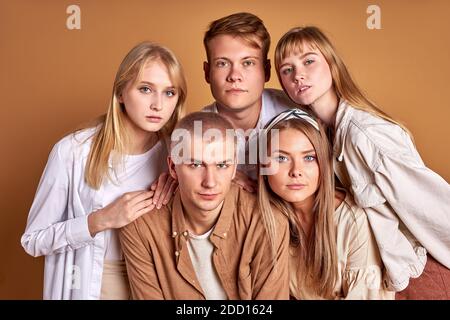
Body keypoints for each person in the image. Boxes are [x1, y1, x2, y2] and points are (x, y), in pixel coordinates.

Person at [274, 26, 450, 297]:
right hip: (379, 279)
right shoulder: (323, 136)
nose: (298, 75)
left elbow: (432, 207)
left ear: (332, 64)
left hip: (417, 274)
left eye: (309, 60)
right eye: (287, 69)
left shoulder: (365, 135)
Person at [21, 42, 187, 299]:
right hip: (91, 283)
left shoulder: (179, 157)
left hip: (155, 282)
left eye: (169, 93)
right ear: (121, 92)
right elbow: (33, 240)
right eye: (145, 89)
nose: (158, 104)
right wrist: (101, 220)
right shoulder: (72, 152)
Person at [119, 112, 289, 300]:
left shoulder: (268, 222)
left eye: (222, 165)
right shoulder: (141, 227)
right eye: (196, 165)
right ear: (173, 167)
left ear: (234, 169)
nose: (210, 182)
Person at [258, 109, 394, 299]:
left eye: (309, 158)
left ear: (323, 163)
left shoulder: (352, 221)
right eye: (281, 158)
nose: (296, 171)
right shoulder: (265, 219)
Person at [202, 12, 297, 191]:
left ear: (266, 70)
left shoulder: (296, 114)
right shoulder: (194, 133)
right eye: (222, 63)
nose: (234, 76)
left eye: (248, 63)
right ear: (207, 72)